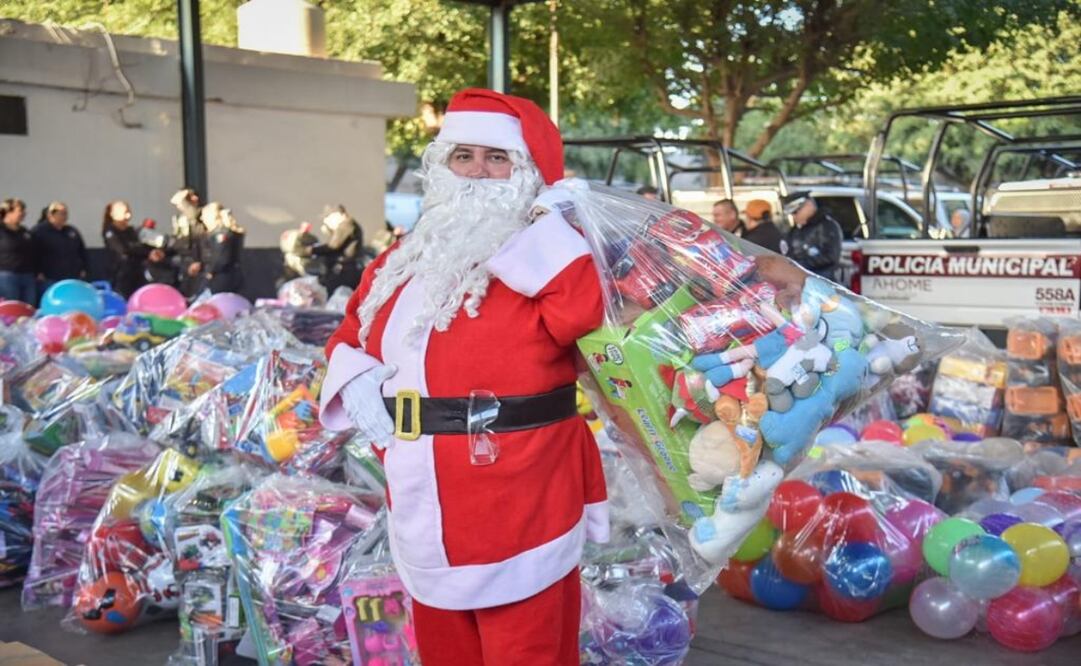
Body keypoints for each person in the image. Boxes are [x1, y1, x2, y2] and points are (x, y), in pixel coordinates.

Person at [319, 88, 607, 666]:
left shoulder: (545, 252)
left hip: (523, 494)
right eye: (464, 155)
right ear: (442, 165)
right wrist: (353, 378)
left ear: (527, 173)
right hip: (423, 492)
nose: (478, 171)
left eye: (497, 158)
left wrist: (547, 231)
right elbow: (351, 333)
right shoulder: (402, 258)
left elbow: (584, 318)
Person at [103, 200, 164, 297]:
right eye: (124, 212)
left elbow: (142, 246)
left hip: (137, 271)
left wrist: (152, 251)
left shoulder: (131, 231)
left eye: (128, 211)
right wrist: (142, 251)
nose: (128, 215)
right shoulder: (110, 232)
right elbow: (123, 249)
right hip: (120, 273)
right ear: (113, 214)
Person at [783, 192, 843, 281]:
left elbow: (831, 256)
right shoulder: (795, 229)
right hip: (801, 281)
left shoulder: (826, 226)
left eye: (796, 212)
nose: (794, 216)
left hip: (823, 282)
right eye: (791, 214)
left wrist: (801, 265)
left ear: (809, 205)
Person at [32, 201, 88, 291]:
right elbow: (33, 253)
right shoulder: (39, 231)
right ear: (50, 215)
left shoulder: (71, 231)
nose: (64, 216)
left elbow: (81, 251)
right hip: (49, 277)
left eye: (65, 213)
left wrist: (84, 268)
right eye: (61, 213)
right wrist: (37, 272)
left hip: (72, 276)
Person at [308, 205, 364, 293]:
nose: (327, 221)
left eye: (328, 217)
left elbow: (333, 246)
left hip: (344, 269)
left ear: (338, 214)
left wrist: (311, 250)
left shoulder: (346, 225)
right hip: (345, 268)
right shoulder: (346, 225)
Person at [198, 202, 245, 294]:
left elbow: (221, 257)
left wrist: (211, 271)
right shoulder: (225, 232)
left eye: (204, 216)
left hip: (221, 278)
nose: (202, 219)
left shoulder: (220, 234)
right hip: (228, 276)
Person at [0, 198, 37, 303]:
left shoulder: (24, 231)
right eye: (20, 210)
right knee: (12, 309)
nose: (23, 213)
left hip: (28, 275)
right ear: (8, 212)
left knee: (29, 307)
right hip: (6, 276)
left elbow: (33, 251)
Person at [170, 188, 205, 297]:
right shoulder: (180, 219)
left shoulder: (200, 214)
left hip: (198, 260)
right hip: (183, 258)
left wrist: (182, 198)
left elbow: (192, 213)